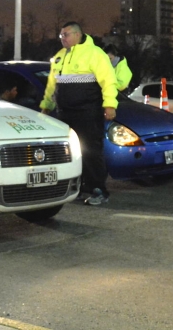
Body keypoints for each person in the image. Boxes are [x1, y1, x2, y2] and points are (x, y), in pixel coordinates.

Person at [41, 22, 118, 206]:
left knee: (91, 151)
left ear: (77, 34)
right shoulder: (59, 57)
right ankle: (78, 187)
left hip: (88, 112)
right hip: (65, 113)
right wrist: (46, 106)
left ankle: (98, 189)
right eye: (60, 35)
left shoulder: (95, 54)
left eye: (65, 34)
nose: (62, 38)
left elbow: (108, 81)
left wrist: (110, 105)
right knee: (71, 153)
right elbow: (52, 85)